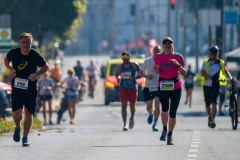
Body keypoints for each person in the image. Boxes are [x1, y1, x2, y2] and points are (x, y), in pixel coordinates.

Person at [4, 33, 49, 147]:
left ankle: (25, 138)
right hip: (17, 88)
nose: (25, 45)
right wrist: (10, 69)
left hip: (31, 88)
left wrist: (36, 74)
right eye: (23, 42)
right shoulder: (13, 53)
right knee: (17, 113)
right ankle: (18, 127)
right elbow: (6, 60)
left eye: (28, 42)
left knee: (28, 113)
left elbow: (46, 67)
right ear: (20, 43)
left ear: (31, 44)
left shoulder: (35, 55)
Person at [153, 37, 186, 145]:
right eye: (166, 43)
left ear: (172, 45)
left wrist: (177, 64)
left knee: (173, 112)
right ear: (162, 46)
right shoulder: (158, 57)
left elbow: (184, 73)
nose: (168, 45)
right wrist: (156, 70)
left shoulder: (179, 57)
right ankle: (164, 129)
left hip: (176, 85)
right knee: (165, 108)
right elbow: (155, 68)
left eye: (170, 43)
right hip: (163, 84)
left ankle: (170, 135)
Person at [201, 45, 232, 129]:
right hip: (207, 85)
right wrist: (210, 78)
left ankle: (212, 120)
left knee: (213, 102)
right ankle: (210, 116)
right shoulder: (206, 62)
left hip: (216, 85)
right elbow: (202, 73)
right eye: (212, 53)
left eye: (216, 53)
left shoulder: (221, 62)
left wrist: (231, 78)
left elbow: (226, 72)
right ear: (210, 54)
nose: (214, 55)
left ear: (218, 53)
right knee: (208, 104)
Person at [115, 52, 141, 131]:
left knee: (132, 106)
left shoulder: (134, 65)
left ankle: (132, 117)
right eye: (123, 58)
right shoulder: (119, 67)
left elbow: (141, 73)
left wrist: (134, 78)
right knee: (124, 105)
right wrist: (118, 77)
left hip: (133, 88)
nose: (125, 60)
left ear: (129, 57)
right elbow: (117, 74)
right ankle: (125, 124)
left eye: (126, 58)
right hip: (123, 88)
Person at [139, 45, 161, 131]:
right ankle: (150, 113)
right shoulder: (147, 61)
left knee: (157, 103)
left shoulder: (162, 61)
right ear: (153, 51)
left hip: (159, 86)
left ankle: (155, 124)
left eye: (159, 50)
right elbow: (140, 72)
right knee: (149, 106)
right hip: (148, 86)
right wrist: (146, 76)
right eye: (156, 50)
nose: (157, 51)